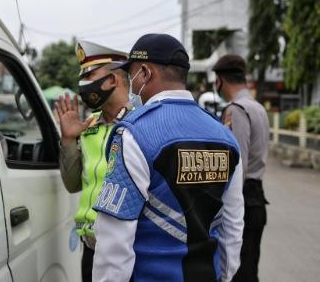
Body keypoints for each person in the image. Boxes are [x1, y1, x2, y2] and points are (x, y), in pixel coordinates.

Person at [92, 34, 245, 282]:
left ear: (145, 73)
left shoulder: (134, 134)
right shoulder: (225, 137)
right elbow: (233, 224)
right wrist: (224, 275)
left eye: (131, 77)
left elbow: (114, 240)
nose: (131, 86)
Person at [54, 40, 132, 282]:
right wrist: (68, 140)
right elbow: (73, 184)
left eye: (90, 75)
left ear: (113, 80)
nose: (82, 84)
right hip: (90, 248)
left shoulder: (140, 124)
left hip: (127, 254)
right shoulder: (89, 127)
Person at [213, 54, 269, 282]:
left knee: (238, 273)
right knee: (249, 269)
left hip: (243, 199)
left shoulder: (236, 110)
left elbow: (237, 166)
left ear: (220, 80)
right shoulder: (257, 107)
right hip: (257, 197)